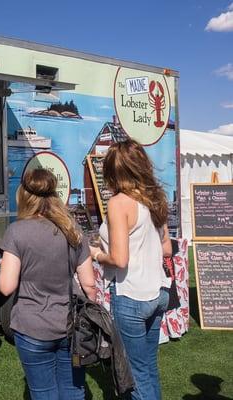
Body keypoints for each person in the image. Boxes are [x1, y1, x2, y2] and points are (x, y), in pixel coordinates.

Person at [0, 168, 97, 400]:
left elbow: (6, 286)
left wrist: (3, 265)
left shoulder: (15, 232)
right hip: (70, 325)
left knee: (43, 394)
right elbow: (89, 284)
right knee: (73, 390)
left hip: (32, 327)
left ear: (23, 195)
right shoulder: (73, 230)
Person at [89, 138, 172, 400]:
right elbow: (167, 248)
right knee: (147, 368)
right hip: (158, 292)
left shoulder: (118, 203)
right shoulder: (154, 199)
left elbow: (120, 259)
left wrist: (97, 254)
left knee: (135, 374)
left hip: (132, 294)